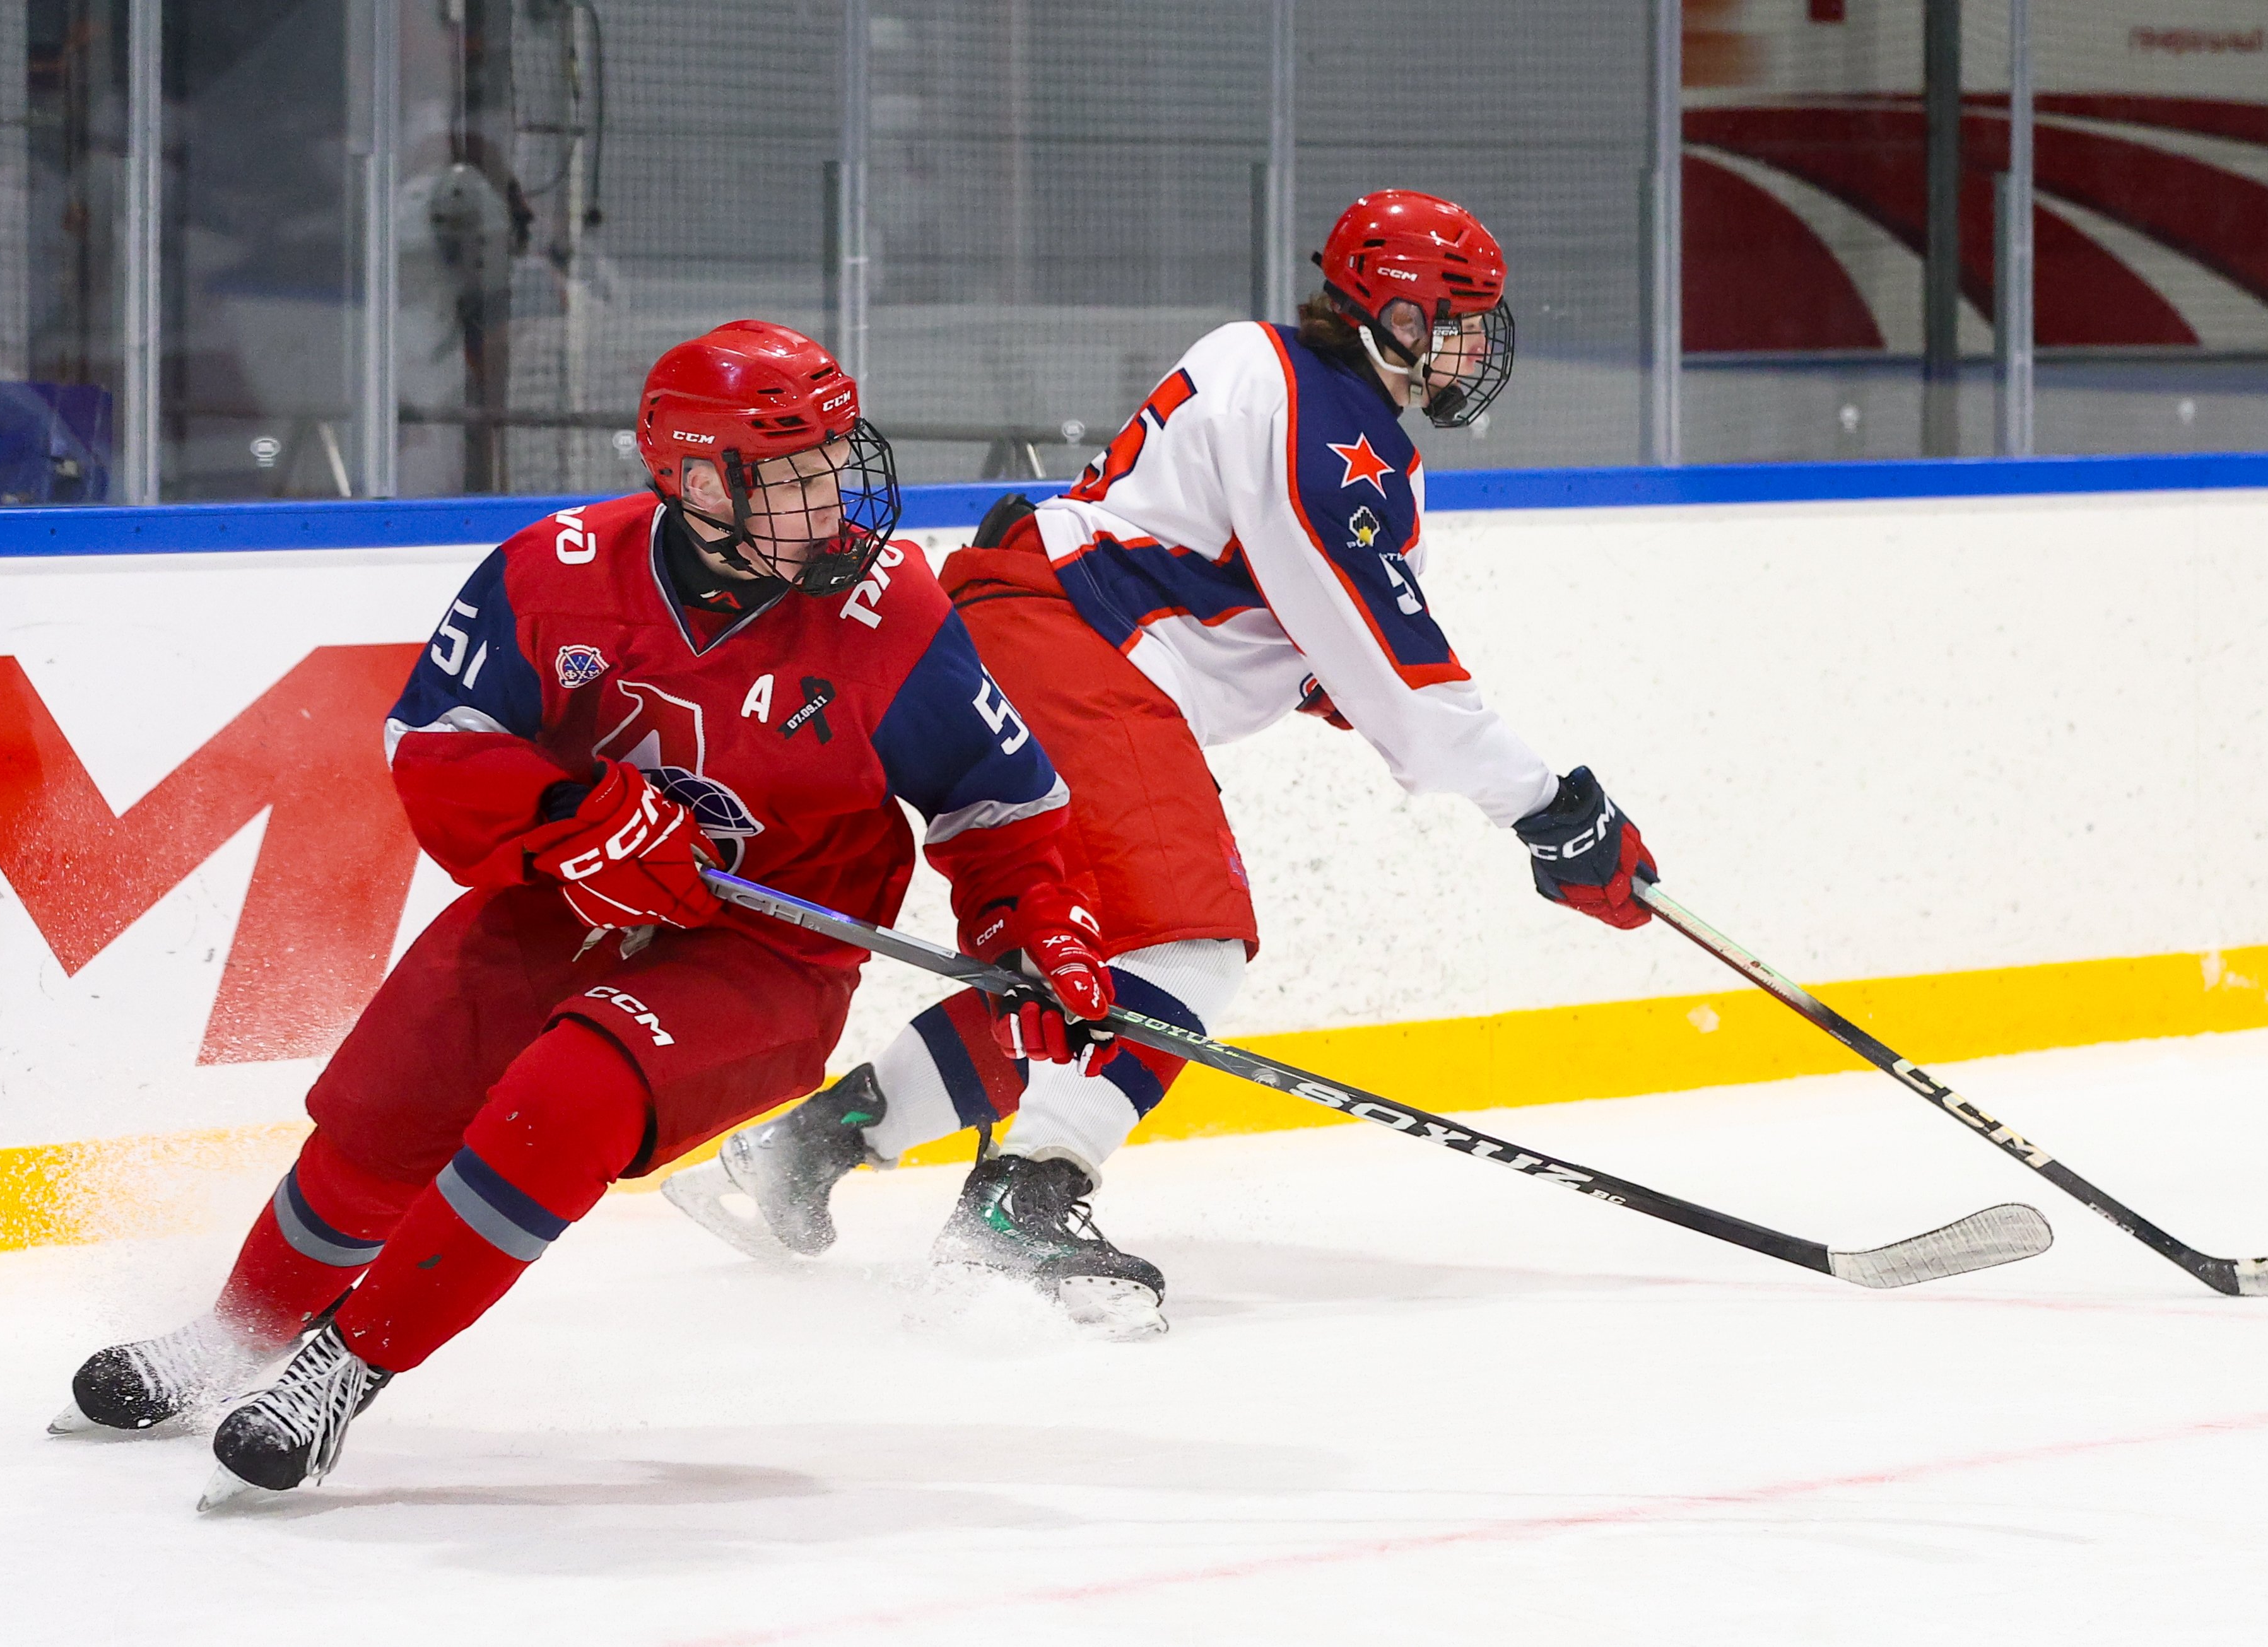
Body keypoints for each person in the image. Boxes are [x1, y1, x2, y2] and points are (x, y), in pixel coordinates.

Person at [50, 321, 1115, 1503]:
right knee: (392, 1105)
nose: (833, 503)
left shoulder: (892, 613)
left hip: (771, 949)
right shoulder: (551, 571)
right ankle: (237, 1336)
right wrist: (572, 812)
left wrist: (1040, 928)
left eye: (834, 463)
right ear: (698, 479)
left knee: (572, 1090)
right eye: (794, 476)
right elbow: (433, 741)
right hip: (563, 905)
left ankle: (341, 1369)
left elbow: (1001, 809)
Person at [667, 191, 1659, 1337]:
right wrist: (1555, 812)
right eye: (1460, 321)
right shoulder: (1325, 429)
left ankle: (799, 1155)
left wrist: (1352, 695)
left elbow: (1293, 622)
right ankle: (1023, 1206)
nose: (1479, 349)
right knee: (1184, 942)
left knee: (1087, 975)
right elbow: (1403, 678)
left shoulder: (1281, 375)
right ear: (1388, 315)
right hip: (1067, 650)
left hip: (1025, 629)